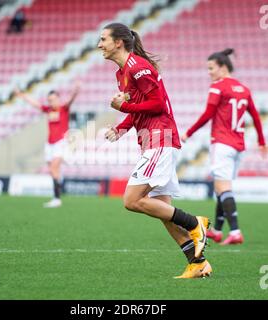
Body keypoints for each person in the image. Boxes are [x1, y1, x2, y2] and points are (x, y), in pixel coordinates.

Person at [98, 22, 212, 278]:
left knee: (132, 200)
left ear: (119, 42)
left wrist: (124, 109)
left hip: (161, 138)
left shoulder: (137, 67)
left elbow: (157, 104)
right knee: (164, 212)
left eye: (103, 39)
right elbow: (141, 106)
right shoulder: (123, 73)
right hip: (151, 139)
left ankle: (196, 223)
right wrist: (122, 127)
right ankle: (198, 263)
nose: (99, 44)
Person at [181, 48, 267, 245]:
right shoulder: (244, 89)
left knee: (223, 187)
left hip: (222, 143)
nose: (209, 72)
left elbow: (208, 114)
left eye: (211, 68)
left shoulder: (218, 87)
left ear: (222, 67)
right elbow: (254, 116)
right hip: (238, 146)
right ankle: (218, 231)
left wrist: (188, 133)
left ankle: (235, 231)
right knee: (222, 188)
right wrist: (262, 141)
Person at [15, 84, 80, 208]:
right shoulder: (48, 110)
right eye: (49, 100)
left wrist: (75, 92)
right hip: (49, 144)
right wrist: (22, 96)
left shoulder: (63, 109)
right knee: (52, 170)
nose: (51, 102)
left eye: (53, 99)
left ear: (58, 99)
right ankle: (58, 186)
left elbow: (70, 101)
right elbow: (35, 104)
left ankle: (57, 199)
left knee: (54, 168)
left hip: (60, 143)